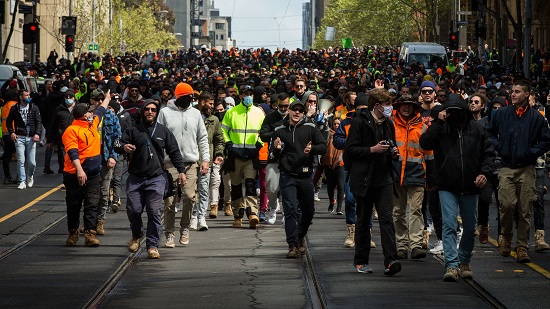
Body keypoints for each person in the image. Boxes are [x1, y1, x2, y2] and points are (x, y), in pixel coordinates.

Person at [420, 93, 495, 281]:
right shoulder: (442, 129)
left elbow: (489, 154)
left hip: (470, 186)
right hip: (447, 185)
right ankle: (452, 264)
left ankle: (464, 260)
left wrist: (484, 173)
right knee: (449, 225)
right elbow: (425, 143)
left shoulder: (477, 130)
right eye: (451, 112)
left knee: (470, 227)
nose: (455, 115)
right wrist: (438, 122)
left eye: (458, 111)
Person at [487, 80, 550, 263]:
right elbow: (490, 133)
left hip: (527, 168)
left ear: (527, 94)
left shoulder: (537, 118)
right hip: (507, 166)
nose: (513, 94)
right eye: (512, 92)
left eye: (517, 92)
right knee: (506, 205)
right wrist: (501, 147)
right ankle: (506, 237)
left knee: (525, 210)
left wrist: (530, 153)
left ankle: (522, 247)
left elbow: (546, 141)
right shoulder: (502, 114)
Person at [115, 100, 186, 259]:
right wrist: (124, 147)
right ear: (142, 111)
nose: (150, 112)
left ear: (157, 112)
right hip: (136, 178)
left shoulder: (163, 131)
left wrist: (181, 171)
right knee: (133, 210)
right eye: (146, 109)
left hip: (156, 178)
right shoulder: (133, 130)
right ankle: (136, 233)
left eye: (153, 109)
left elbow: (174, 152)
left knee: (154, 212)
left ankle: (152, 245)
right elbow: (118, 143)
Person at [345, 88, 401, 275]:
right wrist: (372, 149)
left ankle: (391, 260)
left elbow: (391, 143)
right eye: (387, 104)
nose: (390, 108)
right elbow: (350, 150)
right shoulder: (359, 122)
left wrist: (393, 153)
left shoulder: (388, 124)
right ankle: (361, 261)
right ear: (377, 106)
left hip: (384, 178)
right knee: (363, 220)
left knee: (386, 219)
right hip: (364, 179)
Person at [272, 99, 327, 258]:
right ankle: (292, 245)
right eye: (294, 109)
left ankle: (300, 235)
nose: (297, 112)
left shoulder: (310, 128)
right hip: (287, 175)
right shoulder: (280, 130)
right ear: (288, 111)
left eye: (300, 110)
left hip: (305, 175)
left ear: (303, 113)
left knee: (309, 210)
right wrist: (277, 150)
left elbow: (323, 146)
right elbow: (273, 154)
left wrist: (313, 149)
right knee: (290, 210)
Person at [158, 83, 209, 246]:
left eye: (193, 97)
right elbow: (158, 138)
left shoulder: (195, 114)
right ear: (179, 97)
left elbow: (202, 138)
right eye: (189, 97)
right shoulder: (164, 113)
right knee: (170, 201)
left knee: (189, 197)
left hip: (190, 163)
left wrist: (205, 159)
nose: (192, 100)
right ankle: (169, 233)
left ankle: (184, 227)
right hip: (170, 163)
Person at [62, 92, 111, 247]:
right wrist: (79, 170)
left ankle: (90, 234)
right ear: (83, 116)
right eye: (89, 112)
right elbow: (72, 152)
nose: (92, 113)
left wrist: (108, 98)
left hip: (93, 175)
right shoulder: (72, 130)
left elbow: (101, 110)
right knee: (74, 205)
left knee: (91, 204)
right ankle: (73, 233)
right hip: (74, 175)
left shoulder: (92, 123)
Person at [392, 94, 434, 260]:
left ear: (414, 107)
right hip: (397, 174)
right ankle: (402, 245)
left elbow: (429, 153)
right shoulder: (392, 125)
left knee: (416, 210)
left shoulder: (422, 127)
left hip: (417, 173)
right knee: (398, 212)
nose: (406, 108)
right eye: (403, 105)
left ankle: (416, 245)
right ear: (399, 106)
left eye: (409, 105)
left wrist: (430, 176)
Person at [221, 85, 265, 229]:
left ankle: (252, 213)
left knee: (251, 185)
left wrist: (258, 144)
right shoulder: (232, 112)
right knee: (236, 186)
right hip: (235, 155)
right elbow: (223, 130)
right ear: (240, 96)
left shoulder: (259, 113)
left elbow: (263, 132)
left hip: (252, 156)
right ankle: (238, 215)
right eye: (246, 94)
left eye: (251, 94)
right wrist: (229, 144)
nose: (248, 96)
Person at [90, 89, 122, 235]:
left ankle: (100, 222)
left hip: (105, 159)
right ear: (92, 100)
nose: (99, 102)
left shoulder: (111, 116)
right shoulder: (87, 116)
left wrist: (113, 156)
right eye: (97, 99)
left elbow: (118, 138)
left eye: (101, 99)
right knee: (90, 194)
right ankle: (89, 222)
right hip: (90, 161)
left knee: (103, 194)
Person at [259, 92, 290, 224]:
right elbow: (263, 135)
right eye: (281, 106)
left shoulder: (293, 116)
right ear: (277, 104)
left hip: (289, 158)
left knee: (288, 188)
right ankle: (273, 207)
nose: (284, 109)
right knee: (271, 188)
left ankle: (286, 212)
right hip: (273, 157)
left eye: (286, 106)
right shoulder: (271, 117)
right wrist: (276, 132)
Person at [195, 92, 225, 220]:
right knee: (191, 191)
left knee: (204, 188)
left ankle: (200, 216)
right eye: (210, 103)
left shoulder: (214, 120)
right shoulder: (192, 116)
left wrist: (218, 153)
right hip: (191, 159)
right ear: (202, 102)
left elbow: (219, 139)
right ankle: (192, 215)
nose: (212, 106)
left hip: (206, 159)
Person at [7, 89, 43, 190]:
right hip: (20, 137)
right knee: (21, 160)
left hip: (31, 137)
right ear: (20, 97)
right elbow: (9, 122)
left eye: (29, 95)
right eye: (26, 95)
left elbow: (38, 122)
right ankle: (22, 181)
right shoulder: (15, 109)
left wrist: (37, 133)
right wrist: (12, 132)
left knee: (32, 162)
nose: (28, 97)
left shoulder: (34, 108)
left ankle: (30, 176)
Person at [2, 89, 19, 184]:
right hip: (15, 133)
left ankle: (7, 176)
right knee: (21, 155)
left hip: (6, 134)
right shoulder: (15, 105)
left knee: (7, 156)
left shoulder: (4, 106)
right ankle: (19, 176)